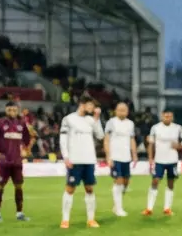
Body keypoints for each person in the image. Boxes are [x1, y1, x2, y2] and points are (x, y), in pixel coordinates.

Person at [59, 96, 105, 228]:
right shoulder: (68, 119)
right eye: (90, 105)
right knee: (70, 188)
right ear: (82, 104)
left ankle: (91, 219)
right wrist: (66, 157)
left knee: (89, 188)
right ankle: (65, 220)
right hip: (75, 159)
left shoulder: (91, 120)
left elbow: (100, 135)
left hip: (89, 159)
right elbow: (63, 139)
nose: (92, 108)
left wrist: (97, 119)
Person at [0, 102, 33, 223]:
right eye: (9, 110)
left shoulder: (22, 124)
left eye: (14, 110)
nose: (12, 112)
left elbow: (28, 139)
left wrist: (26, 151)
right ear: (6, 110)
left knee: (18, 186)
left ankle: (19, 213)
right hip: (4, 162)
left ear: (17, 110)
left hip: (17, 162)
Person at [145, 110, 182, 216]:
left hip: (173, 160)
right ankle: (149, 208)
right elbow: (150, 144)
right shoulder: (155, 128)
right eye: (166, 116)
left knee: (171, 182)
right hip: (159, 160)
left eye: (170, 116)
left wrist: (180, 146)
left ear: (172, 117)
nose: (167, 118)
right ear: (162, 116)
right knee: (155, 181)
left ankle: (167, 208)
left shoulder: (178, 128)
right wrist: (150, 158)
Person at [104, 101, 138, 217]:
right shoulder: (111, 122)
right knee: (118, 181)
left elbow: (132, 139)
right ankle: (118, 208)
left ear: (127, 112)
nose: (122, 112)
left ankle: (116, 204)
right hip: (115, 156)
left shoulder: (130, 124)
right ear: (116, 111)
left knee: (126, 182)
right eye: (120, 110)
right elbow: (107, 140)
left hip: (126, 157)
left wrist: (134, 154)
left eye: (124, 110)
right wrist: (108, 156)